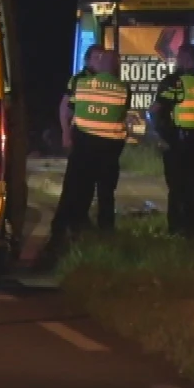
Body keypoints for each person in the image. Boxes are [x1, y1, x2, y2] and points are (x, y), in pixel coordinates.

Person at [45, 44, 128, 259]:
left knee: (85, 188)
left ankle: (77, 228)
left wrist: (69, 132)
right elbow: (66, 109)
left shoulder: (82, 84)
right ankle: (74, 228)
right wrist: (65, 133)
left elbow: (70, 108)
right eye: (95, 56)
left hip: (86, 144)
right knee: (84, 190)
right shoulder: (120, 87)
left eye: (101, 57)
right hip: (105, 147)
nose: (97, 60)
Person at [152, 44, 194, 238]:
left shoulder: (175, 82)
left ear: (186, 58)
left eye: (179, 57)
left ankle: (180, 230)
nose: (176, 60)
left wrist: (160, 135)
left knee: (178, 188)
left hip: (179, 144)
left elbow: (156, 110)